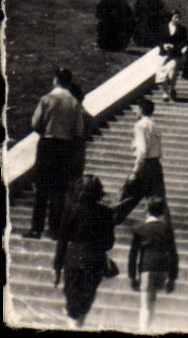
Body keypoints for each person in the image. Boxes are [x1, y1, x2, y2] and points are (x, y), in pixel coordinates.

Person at [29, 68, 90, 239]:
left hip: (47, 144)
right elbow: (79, 130)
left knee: (42, 188)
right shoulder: (74, 103)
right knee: (59, 189)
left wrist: (45, 130)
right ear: (69, 82)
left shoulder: (47, 99)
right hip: (65, 147)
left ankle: (36, 228)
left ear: (55, 80)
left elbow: (35, 123)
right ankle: (54, 229)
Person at [54, 174, 118, 326]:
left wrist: (57, 268)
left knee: (72, 305)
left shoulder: (72, 210)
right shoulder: (106, 213)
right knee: (84, 304)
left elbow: (62, 241)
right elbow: (109, 244)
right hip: (95, 262)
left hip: (74, 259)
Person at [128, 195, 179, 330]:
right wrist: (172, 277)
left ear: (147, 210)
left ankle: (143, 330)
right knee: (152, 301)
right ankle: (147, 328)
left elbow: (133, 255)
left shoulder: (140, 229)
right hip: (163, 268)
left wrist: (132, 276)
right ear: (162, 212)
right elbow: (173, 253)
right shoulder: (167, 229)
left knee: (145, 305)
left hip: (147, 267)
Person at [114, 99, 165, 221]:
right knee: (157, 202)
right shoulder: (156, 126)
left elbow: (142, 150)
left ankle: (108, 222)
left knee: (124, 199)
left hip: (144, 167)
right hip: (156, 166)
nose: (136, 112)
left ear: (141, 110)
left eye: (137, 109)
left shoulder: (140, 126)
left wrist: (136, 170)